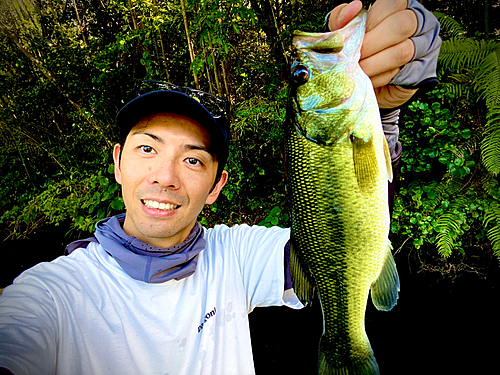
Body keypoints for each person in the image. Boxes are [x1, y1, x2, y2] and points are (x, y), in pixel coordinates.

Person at [0, 0, 441, 374]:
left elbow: (346, 229)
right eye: (148, 150)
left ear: (216, 185)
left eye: (193, 159)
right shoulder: (52, 292)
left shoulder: (236, 258)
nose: (166, 177)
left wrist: (384, 117)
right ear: (117, 163)